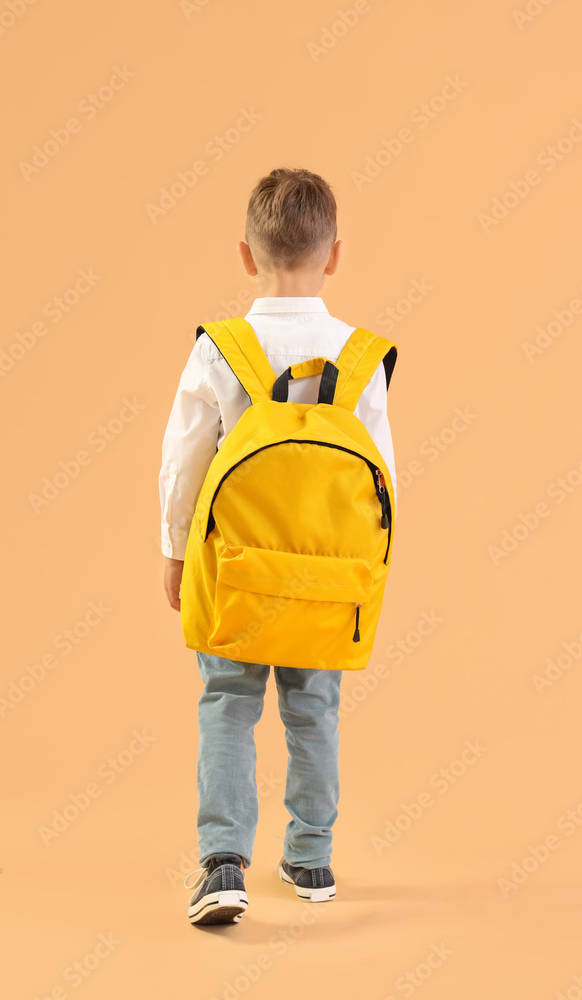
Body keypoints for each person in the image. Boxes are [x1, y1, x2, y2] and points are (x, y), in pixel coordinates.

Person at [158, 167, 398, 926]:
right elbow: (381, 480)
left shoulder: (220, 349)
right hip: (330, 575)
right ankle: (312, 856)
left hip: (235, 572)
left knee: (227, 703)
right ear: (335, 256)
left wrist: (173, 551)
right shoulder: (361, 356)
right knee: (314, 709)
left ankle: (223, 862)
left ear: (244, 254)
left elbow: (185, 462)